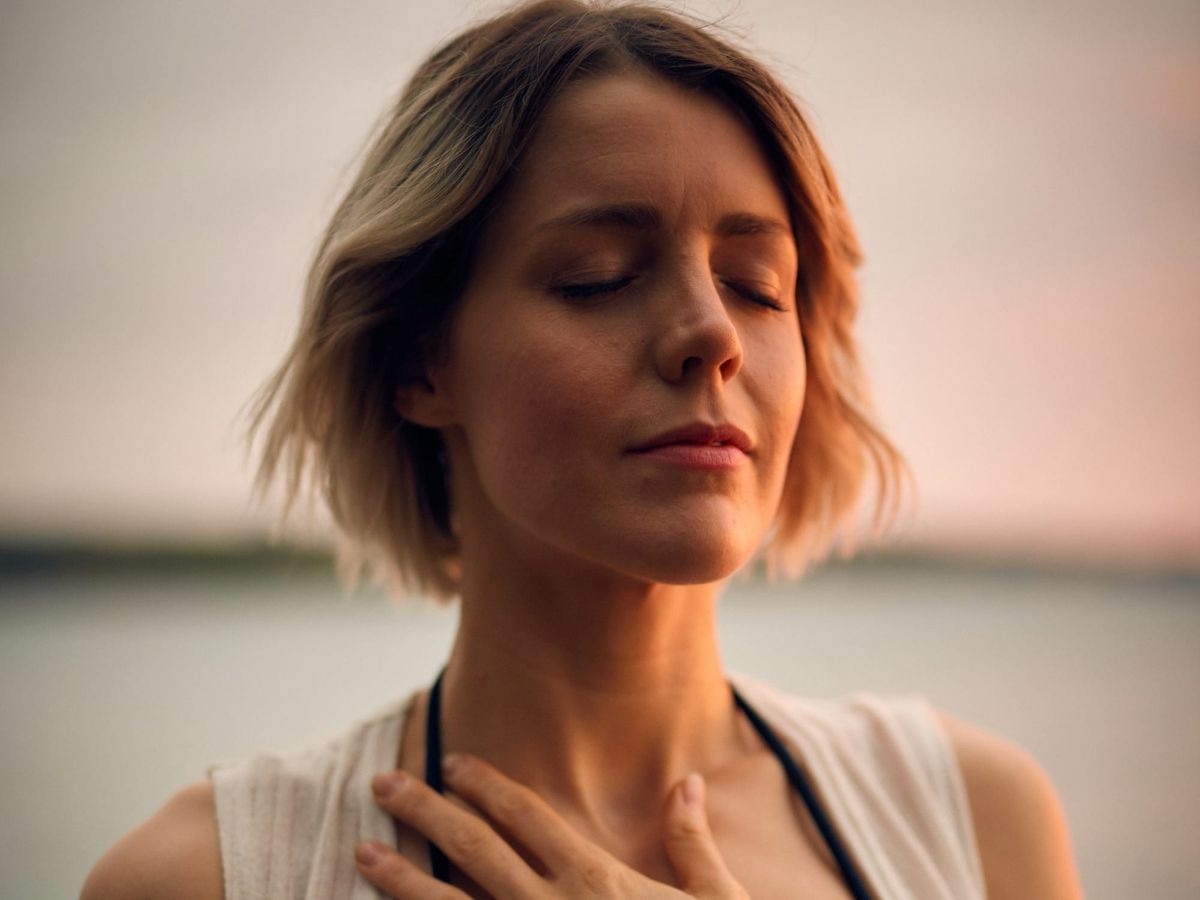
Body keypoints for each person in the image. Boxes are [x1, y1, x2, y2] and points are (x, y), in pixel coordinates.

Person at [82, 2, 1083, 898]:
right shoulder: (212, 879)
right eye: (598, 276)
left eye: (756, 283)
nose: (713, 333)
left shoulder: (973, 824)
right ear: (421, 362)